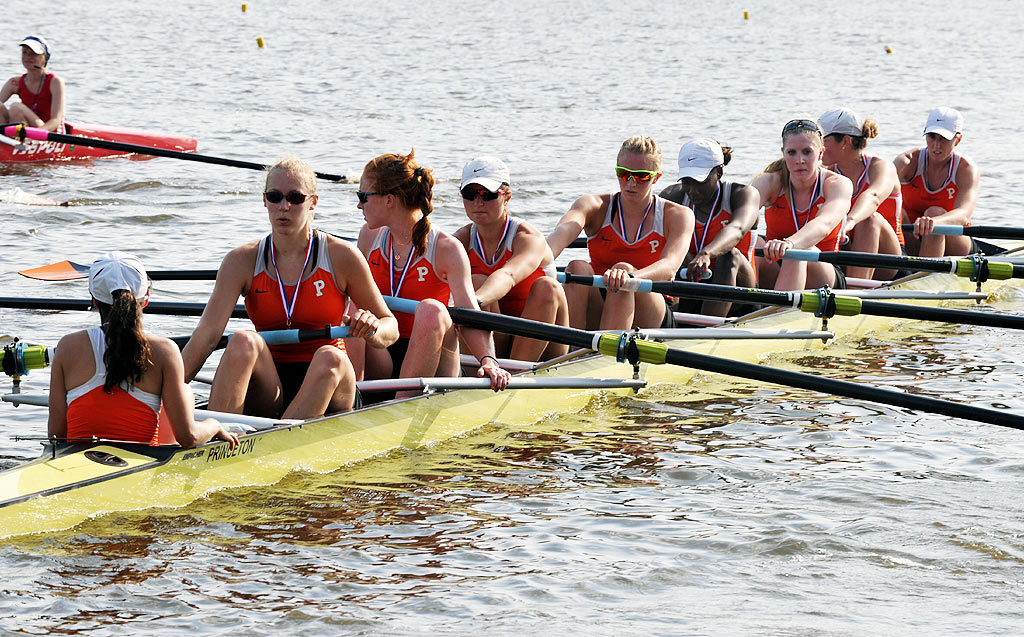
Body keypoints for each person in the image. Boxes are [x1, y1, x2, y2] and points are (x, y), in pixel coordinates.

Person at [182, 157, 399, 419]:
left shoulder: (342, 256)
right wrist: (160, 394)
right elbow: (206, 336)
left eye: (295, 198)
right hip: (270, 382)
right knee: (242, 340)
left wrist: (372, 328)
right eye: (275, 196)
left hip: (330, 381)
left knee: (329, 357)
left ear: (313, 203)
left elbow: (391, 327)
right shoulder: (241, 260)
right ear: (265, 200)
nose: (284, 206)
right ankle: (216, 440)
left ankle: (275, 441)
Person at [349, 150, 511, 398]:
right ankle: (351, 402)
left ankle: (399, 408)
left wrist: (488, 360)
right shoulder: (369, 236)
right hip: (383, 349)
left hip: (435, 357)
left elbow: (470, 316)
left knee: (432, 310)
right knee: (351, 308)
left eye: (363, 196)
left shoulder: (446, 248)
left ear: (389, 200)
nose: (359, 204)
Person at [48, 252, 237, 449]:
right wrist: (214, 425)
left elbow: (56, 436)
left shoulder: (67, 347)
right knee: (185, 392)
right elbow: (188, 438)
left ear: (94, 302)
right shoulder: (164, 351)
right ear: (145, 299)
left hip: (74, 462)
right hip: (140, 464)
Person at [547, 135, 693, 330]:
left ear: (656, 177)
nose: (631, 183)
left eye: (641, 176)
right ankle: (571, 351)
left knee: (623, 272)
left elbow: (670, 266)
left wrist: (631, 277)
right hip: (602, 298)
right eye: (624, 174)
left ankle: (608, 352)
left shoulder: (678, 215)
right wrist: (531, 264)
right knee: (577, 267)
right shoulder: (593, 206)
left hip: (651, 305)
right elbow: (557, 238)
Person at [452, 156, 568, 361]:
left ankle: (515, 372)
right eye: (469, 194)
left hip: (545, 340)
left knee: (547, 287)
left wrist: (473, 302)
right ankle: (481, 375)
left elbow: (508, 275)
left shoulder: (528, 237)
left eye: (487, 194)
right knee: (476, 280)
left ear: (506, 196)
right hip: (498, 337)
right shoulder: (459, 241)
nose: (477, 202)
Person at [750, 118, 852, 291]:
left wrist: (790, 243)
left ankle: (778, 314)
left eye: (807, 152)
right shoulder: (769, 181)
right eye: (792, 153)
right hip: (776, 263)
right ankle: (743, 306)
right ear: (783, 153)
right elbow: (741, 216)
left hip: (823, 270)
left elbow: (824, 224)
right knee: (754, 241)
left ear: (820, 153)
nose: (799, 160)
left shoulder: (837, 184)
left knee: (799, 252)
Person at [659, 139, 759, 316]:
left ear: (719, 172)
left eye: (700, 181)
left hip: (740, 295)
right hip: (692, 290)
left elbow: (737, 229)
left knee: (729, 255)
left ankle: (705, 331)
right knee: (674, 254)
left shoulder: (743, 194)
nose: (692, 190)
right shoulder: (672, 197)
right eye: (687, 182)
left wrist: (707, 253)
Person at [819, 108, 904, 280]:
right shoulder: (825, 173)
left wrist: (850, 221)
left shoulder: (881, 167)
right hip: (846, 247)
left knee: (869, 219)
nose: (817, 146)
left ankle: (855, 291)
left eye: (822, 139)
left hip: (889, 259)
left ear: (845, 141)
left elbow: (873, 197)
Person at [895, 107, 980, 257]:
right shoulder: (907, 162)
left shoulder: (966, 169)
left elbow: (964, 214)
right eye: (932, 136)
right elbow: (879, 197)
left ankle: (925, 273)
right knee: (898, 212)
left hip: (955, 241)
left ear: (958, 140)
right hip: (912, 236)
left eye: (943, 139)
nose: (936, 145)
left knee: (934, 214)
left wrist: (934, 222)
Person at [0, 36, 65, 133]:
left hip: (45, 131)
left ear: (45, 58)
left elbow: (56, 120)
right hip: (24, 129)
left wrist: (37, 133)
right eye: (24, 52)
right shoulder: (14, 82)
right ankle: (7, 141)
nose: (27, 57)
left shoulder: (55, 82)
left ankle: (16, 141)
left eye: (33, 54)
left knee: (16, 108)